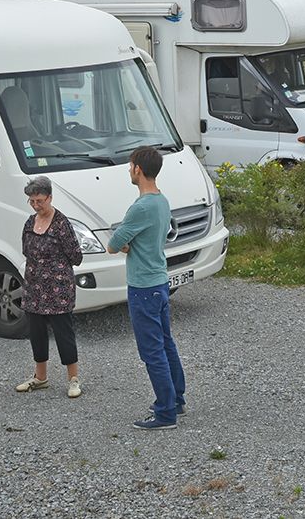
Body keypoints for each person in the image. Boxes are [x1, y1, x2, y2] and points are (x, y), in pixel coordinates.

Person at [106, 146, 185, 430]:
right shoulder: (162, 201)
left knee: (152, 352)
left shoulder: (140, 207)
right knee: (166, 344)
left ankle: (165, 413)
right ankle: (177, 399)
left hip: (143, 287)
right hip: (159, 282)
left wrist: (126, 243)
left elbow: (113, 245)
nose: (129, 170)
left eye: (130, 166)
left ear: (139, 168)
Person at [15, 176, 84, 398]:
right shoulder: (29, 222)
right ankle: (40, 377)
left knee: (64, 333)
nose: (36, 205)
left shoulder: (62, 224)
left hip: (58, 289)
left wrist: (54, 266)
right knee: (36, 332)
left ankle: (73, 379)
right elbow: (26, 250)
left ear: (50, 198)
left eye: (40, 201)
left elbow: (76, 256)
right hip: (34, 287)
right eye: (32, 201)